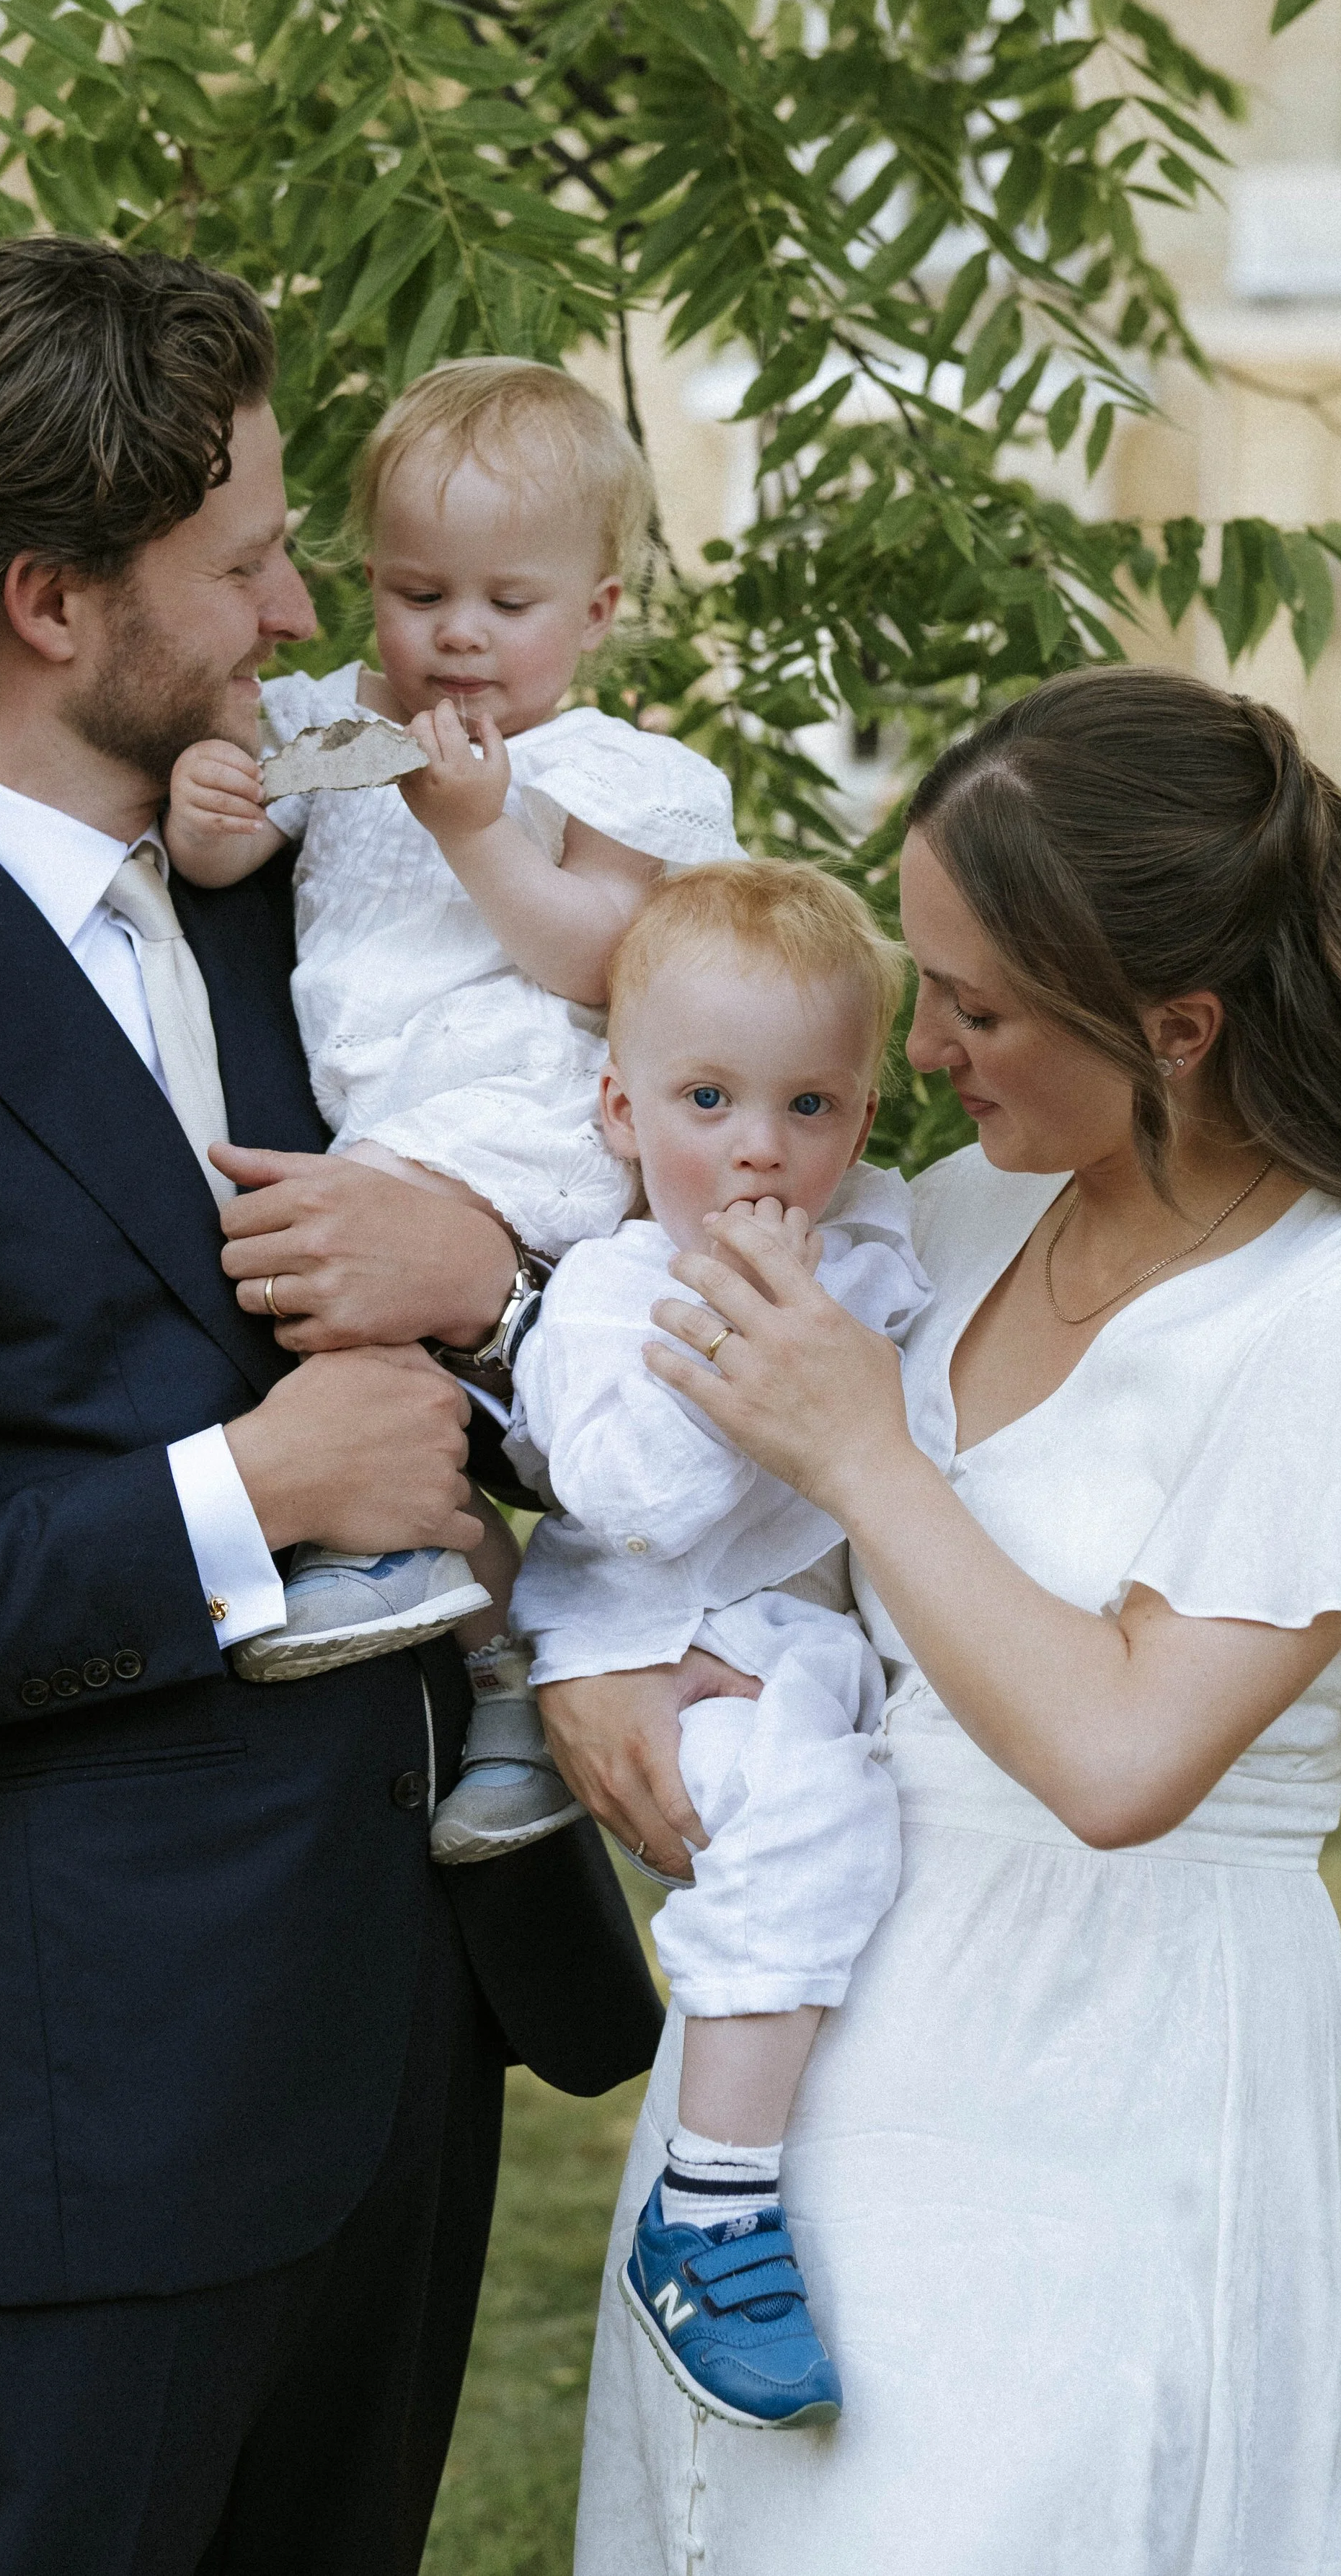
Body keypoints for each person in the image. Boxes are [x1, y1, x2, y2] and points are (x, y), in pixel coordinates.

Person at [0, 234, 661, 2576]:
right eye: (246, 558)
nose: (292, 616)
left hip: (410, 2047)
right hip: (92, 2122)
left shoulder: (304, 874)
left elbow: (587, 1123)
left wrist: (502, 1258)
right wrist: (234, 1498)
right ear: (56, 600)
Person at [554, 668, 1341, 2574]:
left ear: (1173, 1025)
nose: (921, 1049)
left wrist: (864, 1448)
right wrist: (603, 1670)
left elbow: (1119, 1756)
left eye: (979, 1003)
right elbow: (721, 1520)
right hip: (789, 2058)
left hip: (1090, 2084)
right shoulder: (950, 1221)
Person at [161, 357, 741, 1852]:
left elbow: (606, 956)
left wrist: (478, 829)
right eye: (420, 595)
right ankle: (499, 1663)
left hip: (516, 1121)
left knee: (329, 1295)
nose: (458, 637)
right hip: (387, 1131)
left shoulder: (612, 773)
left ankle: (393, 1569)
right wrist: (211, 815)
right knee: (325, 1304)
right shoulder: (338, 729)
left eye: (507, 603)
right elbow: (233, 857)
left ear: (600, 610)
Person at [503, 862, 929, 2428]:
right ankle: (713, 2203)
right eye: (705, 1097)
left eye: (808, 1106)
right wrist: (746, 1327)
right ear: (619, 1113)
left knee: (842, 1819)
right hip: (661, 1645)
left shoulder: (868, 1252)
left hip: (791, 1648)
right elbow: (638, 1504)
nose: (759, 1145)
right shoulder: (611, 1297)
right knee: (814, 1820)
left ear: (862, 1118)